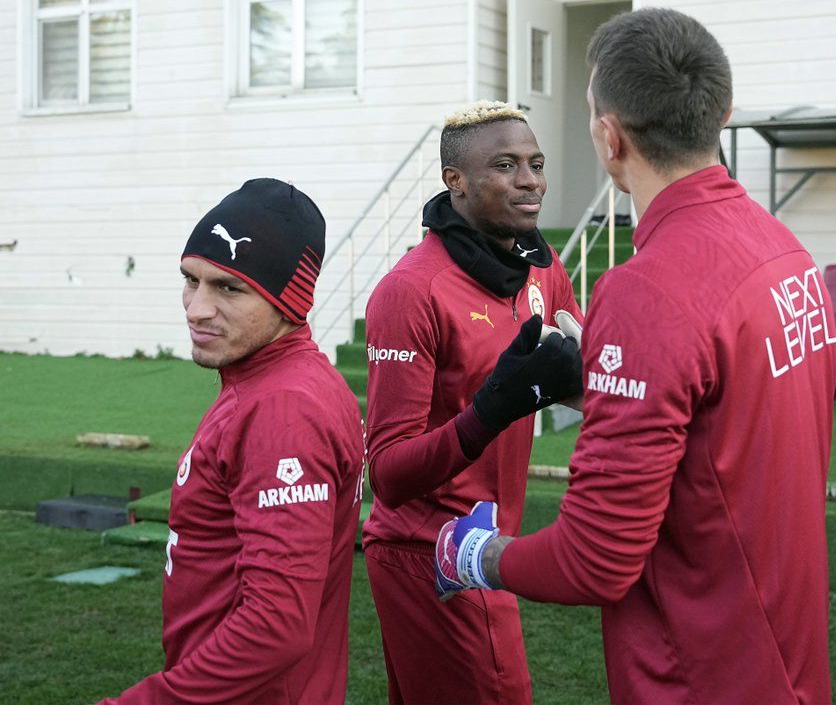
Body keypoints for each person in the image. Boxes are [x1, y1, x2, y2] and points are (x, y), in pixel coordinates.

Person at [436, 9, 836, 704]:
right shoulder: (785, 249)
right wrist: (609, 389)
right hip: (789, 660)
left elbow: (595, 559)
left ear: (609, 135)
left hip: (702, 672)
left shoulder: (648, 288)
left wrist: (475, 553)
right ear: (722, 115)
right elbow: (727, 425)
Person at [102, 178, 366, 704]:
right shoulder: (271, 382)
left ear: (289, 301)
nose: (196, 309)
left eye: (228, 287)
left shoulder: (283, 408)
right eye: (190, 280)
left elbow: (277, 626)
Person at [362, 101, 583, 703]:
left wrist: (586, 379)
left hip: (490, 546)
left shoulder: (541, 267)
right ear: (454, 180)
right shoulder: (410, 292)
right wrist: (492, 409)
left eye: (536, 164)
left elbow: (580, 375)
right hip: (429, 550)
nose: (530, 180)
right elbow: (387, 476)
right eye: (506, 165)